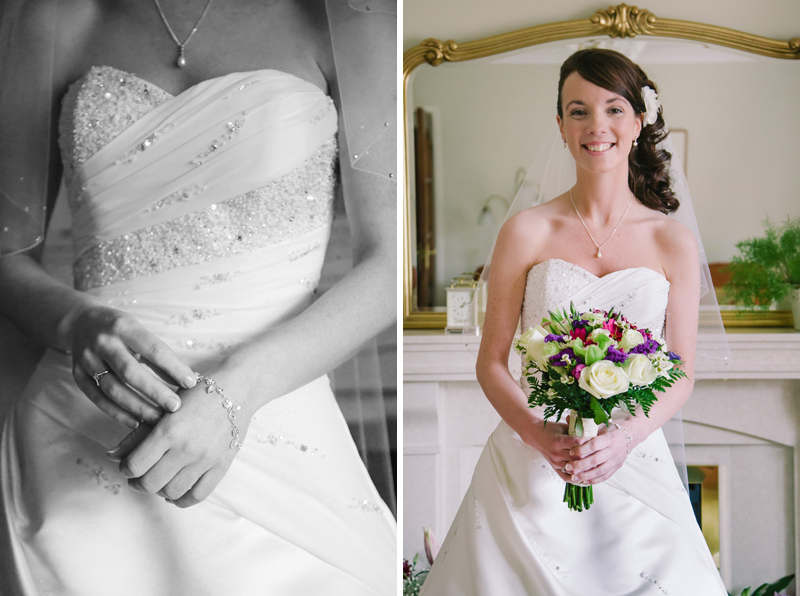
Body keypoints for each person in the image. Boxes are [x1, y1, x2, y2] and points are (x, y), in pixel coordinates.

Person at [0, 0, 396, 594]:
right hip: (78, 424)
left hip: (271, 410)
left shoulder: (344, 20)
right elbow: (6, 254)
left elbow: (391, 266)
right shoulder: (56, 19)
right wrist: (77, 320)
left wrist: (235, 395)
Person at [419, 49, 727, 595]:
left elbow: (679, 373)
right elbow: (492, 362)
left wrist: (624, 439)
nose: (596, 126)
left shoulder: (671, 240)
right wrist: (539, 434)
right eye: (578, 111)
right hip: (531, 455)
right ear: (560, 126)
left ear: (638, 121)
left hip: (632, 451)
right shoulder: (525, 231)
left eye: (613, 109)